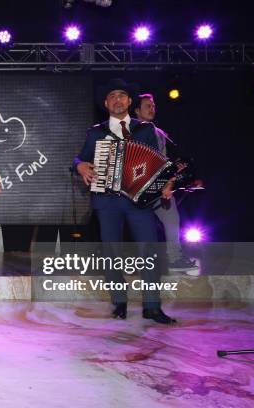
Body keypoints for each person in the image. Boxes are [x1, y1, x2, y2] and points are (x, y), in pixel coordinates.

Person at [74, 78, 176, 324]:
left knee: (148, 252)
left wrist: (167, 182)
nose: (117, 100)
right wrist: (81, 167)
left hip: (138, 201)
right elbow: (80, 158)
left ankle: (152, 306)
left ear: (130, 102)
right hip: (107, 201)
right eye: (112, 97)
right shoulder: (96, 132)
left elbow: (159, 162)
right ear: (106, 104)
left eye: (122, 96)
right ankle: (119, 302)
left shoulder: (145, 130)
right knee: (111, 253)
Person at [134, 93, 197, 271]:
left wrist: (174, 176)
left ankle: (174, 258)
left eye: (153, 105)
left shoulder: (159, 132)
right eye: (147, 106)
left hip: (159, 186)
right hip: (137, 189)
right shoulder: (130, 130)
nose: (152, 108)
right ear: (137, 111)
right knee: (142, 228)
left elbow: (166, 159)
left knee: (171, 218)